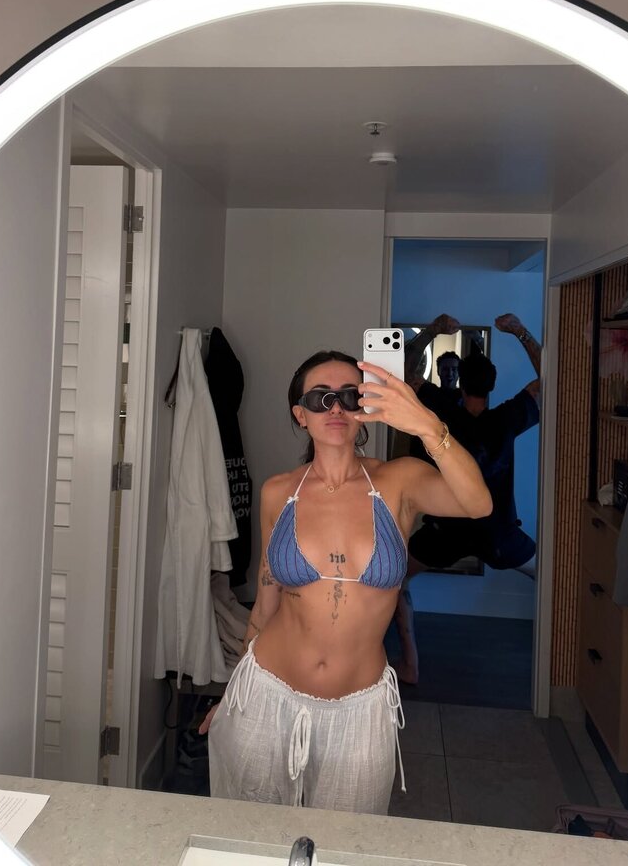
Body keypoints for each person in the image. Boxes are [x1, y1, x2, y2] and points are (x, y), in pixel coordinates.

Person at [199, 349, 491, 814]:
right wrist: (234, 693)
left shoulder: (400, 481)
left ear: (365, 407)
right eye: (320, 398)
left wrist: (426, 425)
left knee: (345, 842)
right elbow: (266, 603)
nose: (335, 407)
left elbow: (478, 504)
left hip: (358, 710)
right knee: (250, 835)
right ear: (301, 415)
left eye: (350, 396)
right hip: (264, 694)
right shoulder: (279, 492)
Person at [393, 313, 541, 685]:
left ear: (460, 384)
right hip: (499, 533)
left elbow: (404, 372)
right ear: (491, 387)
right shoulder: (507, 417)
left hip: (447, 532)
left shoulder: (439, 410)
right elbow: (551, 379)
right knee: (553, 576)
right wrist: (520, 332)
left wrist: (431, 330)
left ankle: (410, 665)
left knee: (395, 581)